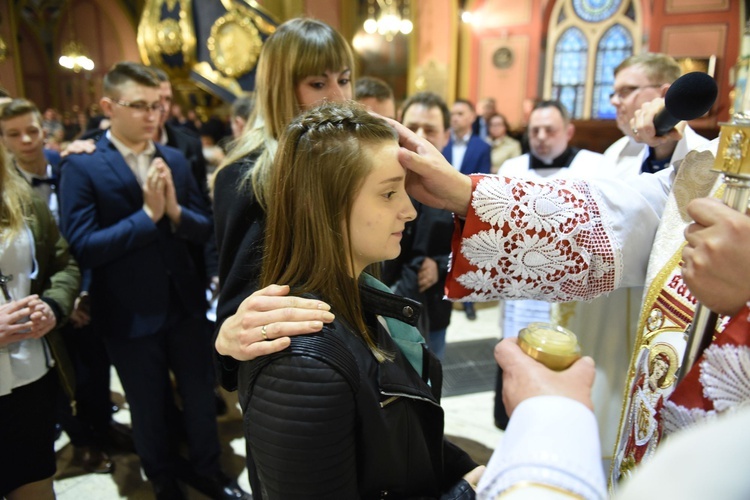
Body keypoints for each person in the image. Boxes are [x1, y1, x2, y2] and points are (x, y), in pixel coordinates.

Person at [244, 100, 483, 498]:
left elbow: (401, 434)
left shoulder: (363, 297)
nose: (409, 210)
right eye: (389, 193)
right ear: (325, 205)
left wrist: (462, 469)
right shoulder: (301, 367)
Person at [59, 62, 247, 500]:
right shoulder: (84, 165)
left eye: (157, 105)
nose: (152, 115)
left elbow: (205, 228)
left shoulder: (175, 159)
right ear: (108, 106)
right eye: (138, 106)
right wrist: (147, 218)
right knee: (147, 407)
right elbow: (83, 245)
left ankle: (208, 471)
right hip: (126, 310)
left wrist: (177, 215)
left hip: (183, 302)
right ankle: (162, 479)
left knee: (201, 399)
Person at [555, 53, 710, 460]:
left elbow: (669, 197)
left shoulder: (699, 154)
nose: (615, 101)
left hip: (651, 324)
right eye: (613, 91)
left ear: (663, 94)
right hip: (603, 319)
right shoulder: (615, 153)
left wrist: (662, 146)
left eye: (626, 90)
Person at [212, 17, 352, 397]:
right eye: (318, 84)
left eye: (344, 78)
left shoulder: (339, 158)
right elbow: (237, 313)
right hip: (291, 370)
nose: (340, 98)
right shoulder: (246, 175)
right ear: (281, 89)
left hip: (349, 350)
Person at [1, 98, 115, 473]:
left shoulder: (69, 163)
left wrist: (76, 296)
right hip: (36, 302)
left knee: (94, 367)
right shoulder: (9, 186)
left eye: (32, 130)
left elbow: (80, 240)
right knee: (61, 381)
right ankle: (82, 440)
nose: (26, 140)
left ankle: (103, 431)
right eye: (14, 134)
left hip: (81, 286)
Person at [0, 142, 80, 500]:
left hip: (29, 375)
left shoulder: (21, 199)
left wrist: (53, 304)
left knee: (34, 485)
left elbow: (62, 265)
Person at [382, 91, 455, 359]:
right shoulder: (381, 180)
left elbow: (472, 247)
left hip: (432, 307)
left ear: (446, 136)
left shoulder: (459, 189)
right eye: (412, 128)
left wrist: (439, 263)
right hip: (385, 301)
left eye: (431, 130)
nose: (420, 135)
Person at [443, 98, 491, 321]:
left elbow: (483, 178)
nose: (455, 117)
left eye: (460, 113)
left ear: (472, 117)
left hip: (469, 207)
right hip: (441, 205)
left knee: (469, 255)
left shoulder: (482, 147)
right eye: (453, 113)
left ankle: (469, 301)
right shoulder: (444, 144)